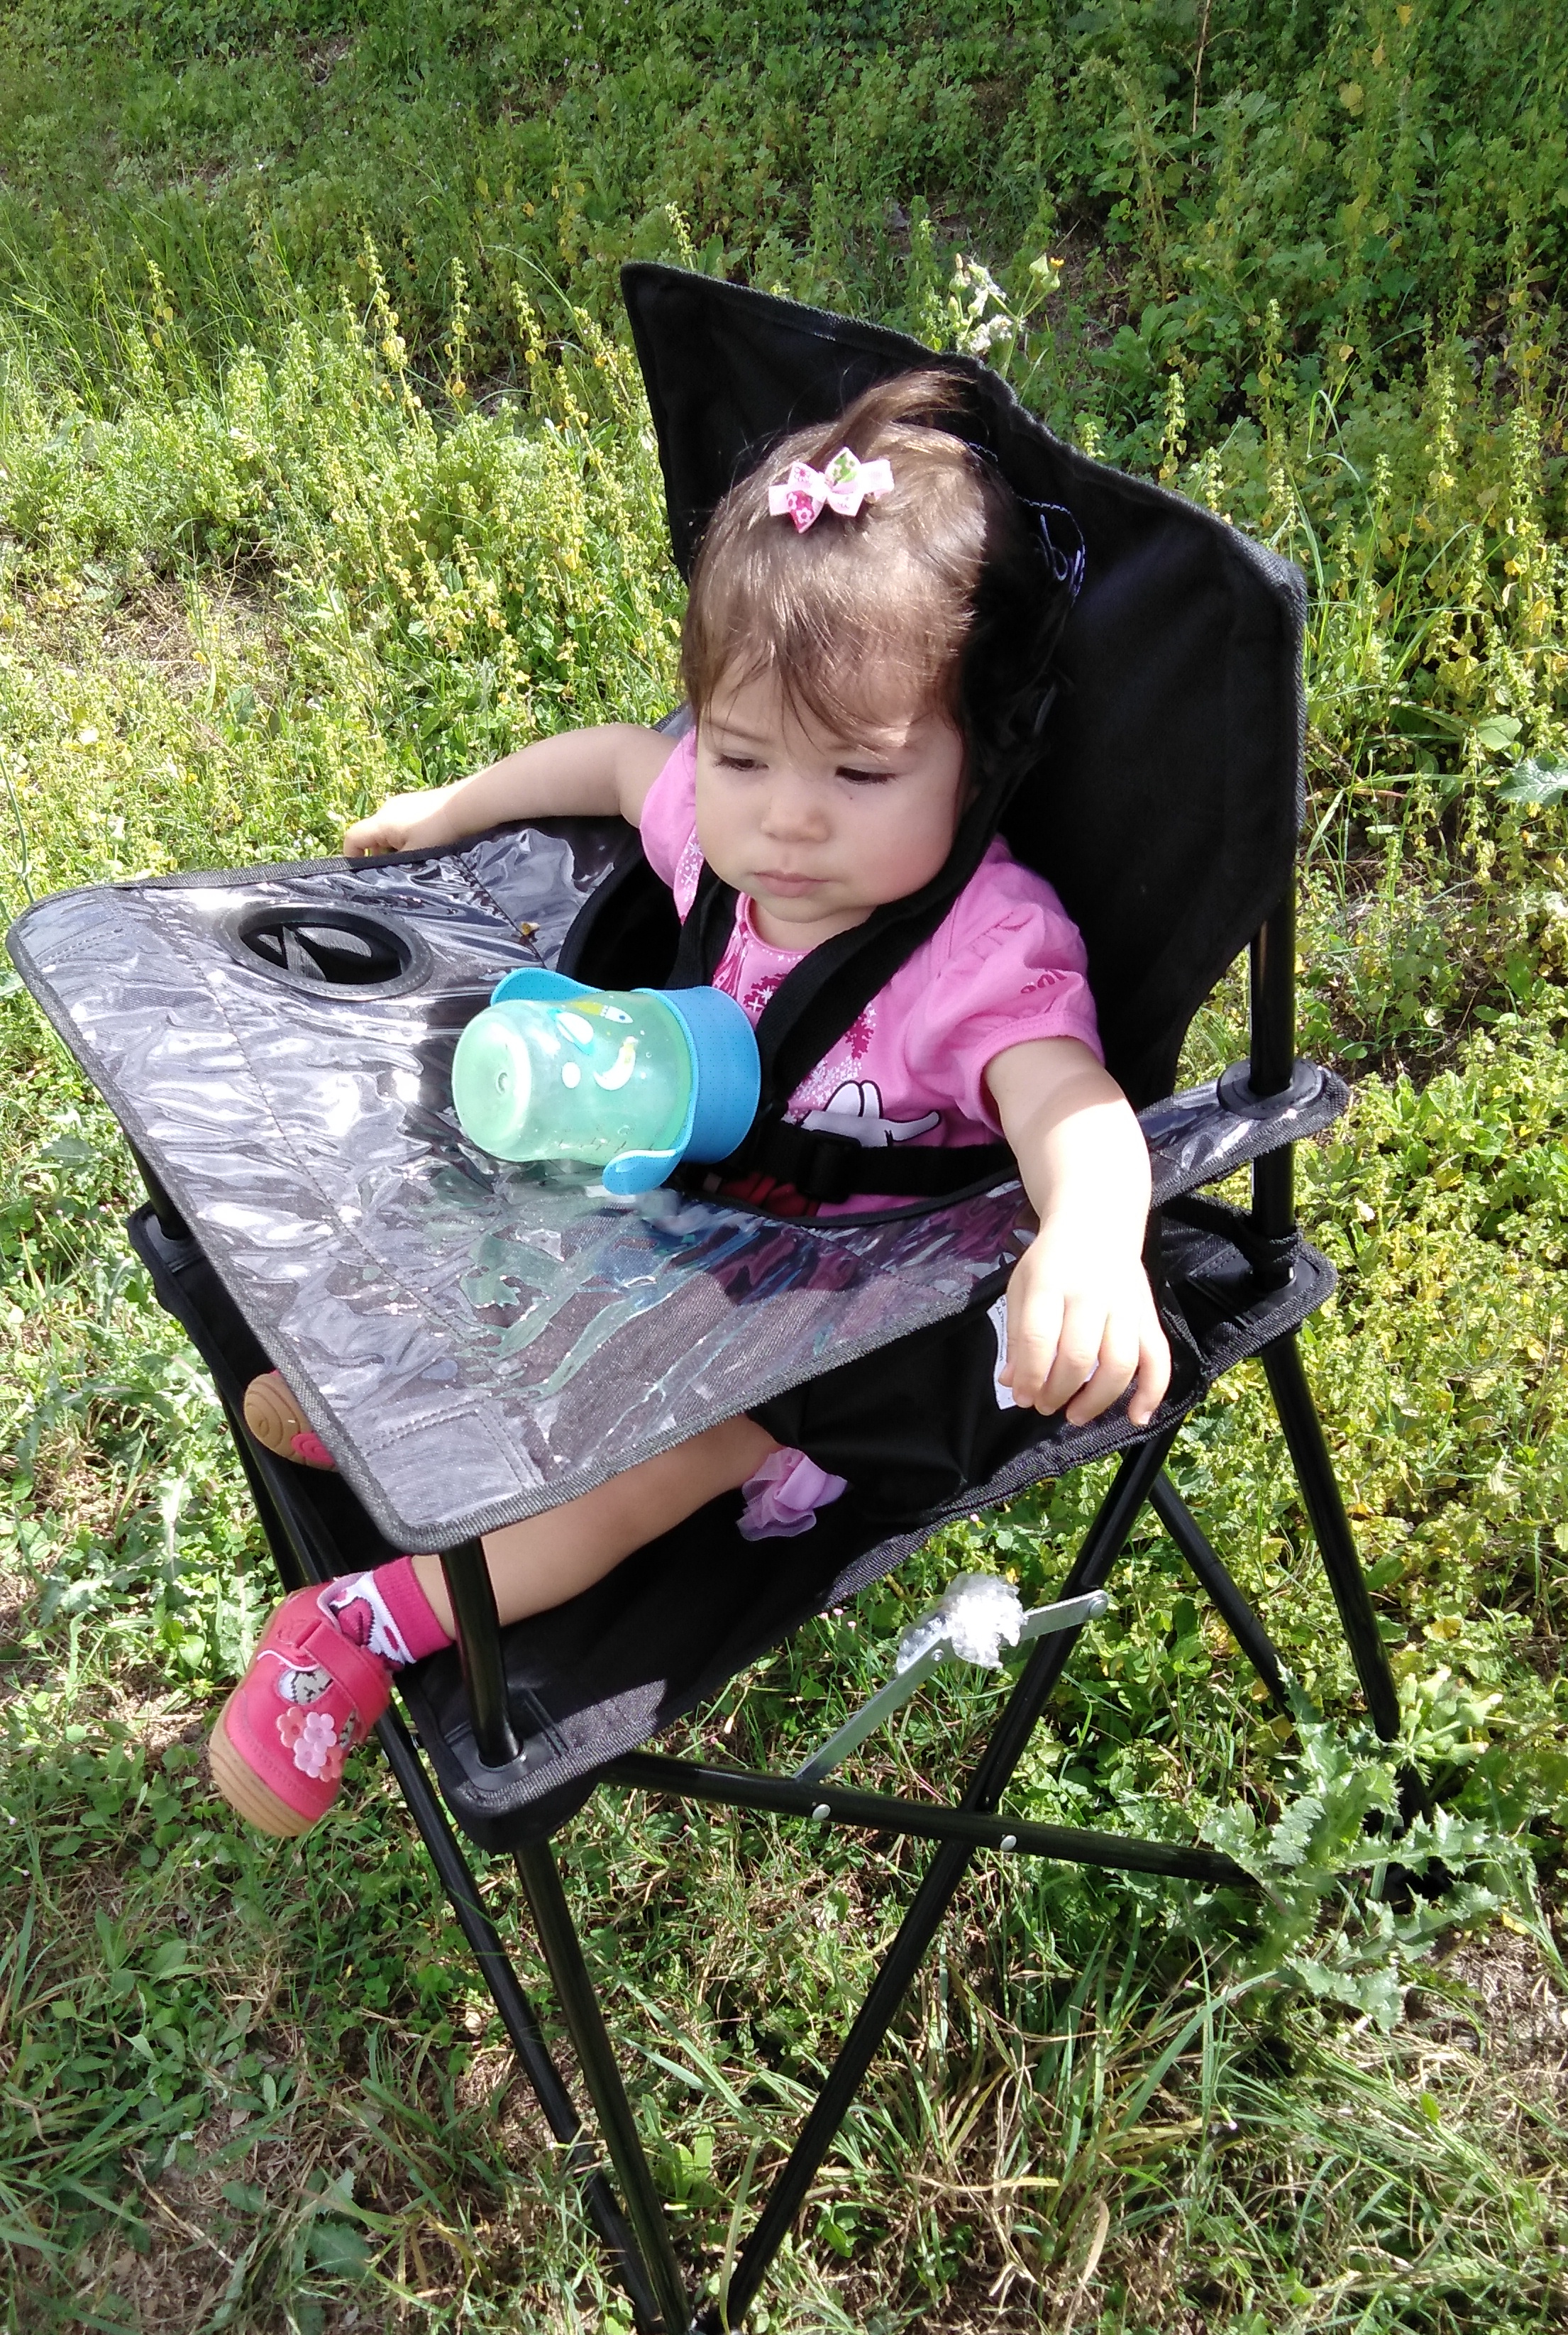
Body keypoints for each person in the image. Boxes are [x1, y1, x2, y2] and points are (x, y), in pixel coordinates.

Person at [210, 370, 1171, 1838]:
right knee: (502, 1196)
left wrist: (1092, 1240)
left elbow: (1073, 1104)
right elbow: (614, 761)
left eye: (861, 771)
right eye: (741, 754)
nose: (787, 816)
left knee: (653, 1470)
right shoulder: (725, 838)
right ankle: (399, 1418)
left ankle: (362, 1620)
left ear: (977, 762)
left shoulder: (981, 952)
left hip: (818, 1326)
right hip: (668, 1220)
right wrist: (448, 807)